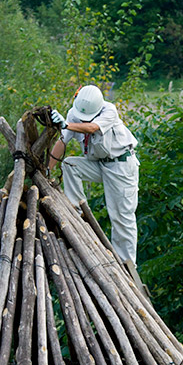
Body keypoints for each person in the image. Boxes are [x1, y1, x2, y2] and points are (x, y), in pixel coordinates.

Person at [47, 84, 140, 265]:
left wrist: (67, 124)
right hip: (100, 164)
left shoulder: (109, 111)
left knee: (121, 217)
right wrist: (48, 170)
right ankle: (76, 211)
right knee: (70, 164)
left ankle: (127, 264)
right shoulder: (74, 113)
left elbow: (91, 128)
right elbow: (62, 142)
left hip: (120, 167)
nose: (80, 120)